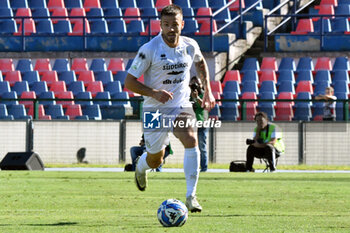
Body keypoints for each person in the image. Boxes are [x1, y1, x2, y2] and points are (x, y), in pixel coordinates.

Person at [124, 4, 215, 213]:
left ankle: (191, 196)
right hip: (154, 109)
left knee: (191, 139)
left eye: (175, 24)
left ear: (182, 24)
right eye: (166, 25)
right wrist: (154, 93)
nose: (171, 29)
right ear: (160, 25)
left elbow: (200, 64)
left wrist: (208, 91)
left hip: (180, 104)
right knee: (156, 158)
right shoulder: (149, 50)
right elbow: (129, 82)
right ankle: (141, 167)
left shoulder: (190, 45)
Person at [189, 76, 209, 172]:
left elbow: (204, 105)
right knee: (191, 147)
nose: (195, 86)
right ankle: (193, 167)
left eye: (197, 83)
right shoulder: (187, 95)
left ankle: (204, 168)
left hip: (201, 123)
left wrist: (196, 97)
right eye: (193, 84)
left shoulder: (204, 94)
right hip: (191, 124)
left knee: (202, 146)